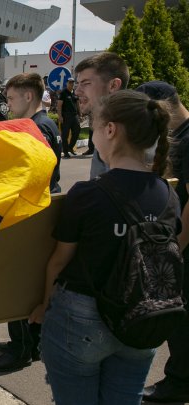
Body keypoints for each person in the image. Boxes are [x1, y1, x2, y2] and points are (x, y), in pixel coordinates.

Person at [29, 90, 179, 405]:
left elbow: (58, 262)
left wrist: (44, 307)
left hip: (83, 318)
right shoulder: (168, 193)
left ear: (110, 130)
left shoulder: (87, 194)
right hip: (143, 318)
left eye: (93, 126)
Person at [0, 72, 62, 372]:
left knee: (15, 282)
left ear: (29, 97)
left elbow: (27, 174)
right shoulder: (48, 124)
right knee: (31, 283)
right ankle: (33, 341)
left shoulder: (32, 128)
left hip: (28, 211)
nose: (8, 103)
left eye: (12, 97)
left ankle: (21, 348)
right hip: (42, 208)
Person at [135, 81, 189, 403]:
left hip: (184, 245)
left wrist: (176, 250)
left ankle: (179, 382)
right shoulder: (180, 135)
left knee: (181, 320)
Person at [73, 52, 129, 178]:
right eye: (78, 83)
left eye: (86, 83)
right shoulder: (108, 126)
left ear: (113, 85)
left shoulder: (128, 132)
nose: (77, 91)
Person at [57, 78, 81, 159]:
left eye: (72, 83)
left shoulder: (75, 92)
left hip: (74, 116)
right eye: (70, 82)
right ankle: (66, 151)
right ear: (67, 83)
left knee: (77, 131)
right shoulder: (63, 93)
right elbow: (59, 105)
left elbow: (77, 103)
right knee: (65, 134)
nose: (71, 84)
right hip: (66, 116)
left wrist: (80, 114)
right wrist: (60, 116)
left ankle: (70, 147)